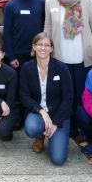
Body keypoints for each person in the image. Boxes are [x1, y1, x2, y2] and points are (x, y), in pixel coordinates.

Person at [43, 0, 92, 135]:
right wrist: (45, 50)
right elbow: (47, 26)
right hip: (60, 55)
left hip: (83, 55)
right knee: (64, 93)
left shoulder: (85, 0)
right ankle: (67, 127)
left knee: (81, 94)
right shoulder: (50, 1)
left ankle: (83, 128)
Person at [20, 33, 73, 165]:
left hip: (58, 115)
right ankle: (40, 135)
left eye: (46, 45)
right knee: (32, 127)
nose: (43, 48)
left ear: (51, 49)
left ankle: (53, 133)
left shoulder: (61, 68)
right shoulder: (27, 68)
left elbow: (68, 97)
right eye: (39, 44)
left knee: (58, 160)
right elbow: (24, 96)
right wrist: (41, 111)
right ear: (34, 47)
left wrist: (56, 123)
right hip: (38, 113)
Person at [3, 0, 45, 69]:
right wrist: (11, 56)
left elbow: (45, 27)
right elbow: (7, 33)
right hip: (18, 54)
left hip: (38, 52)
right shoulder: (10, 5)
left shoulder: (42, 3)